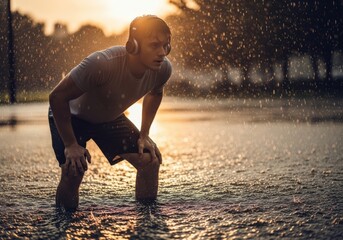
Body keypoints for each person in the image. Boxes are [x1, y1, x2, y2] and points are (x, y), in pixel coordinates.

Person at [48, 15, 172, 210]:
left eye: (166, 45)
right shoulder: (101, 63)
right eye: (155, 45)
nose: (162, 52)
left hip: (108, 118)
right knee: (74, 170)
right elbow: (57, 97)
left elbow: (155, 93)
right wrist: (71, 145)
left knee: (149, 159)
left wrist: (144, 134)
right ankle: (63, 223)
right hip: (71, 116)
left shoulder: (163, 69)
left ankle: (147, 223)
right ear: (134, 46)